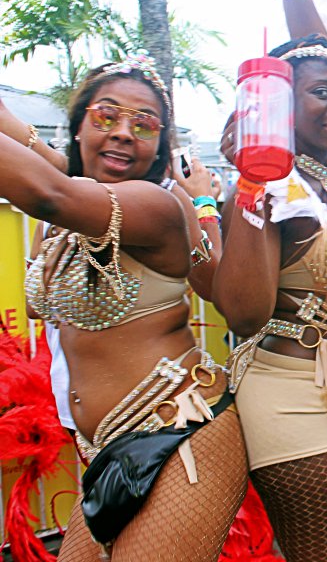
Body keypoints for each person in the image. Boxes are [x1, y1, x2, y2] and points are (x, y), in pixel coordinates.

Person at [1, 54, 247, 561]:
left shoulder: (152, 206)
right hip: (100, 452)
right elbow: (30, 146)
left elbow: (49, 193)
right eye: (106, 117)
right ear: (78, 127)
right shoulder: (80, 191)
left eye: (144, 124)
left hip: (179, 432)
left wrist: (205, 204)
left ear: (160, 146)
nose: (123, 132)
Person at [214, 35, 327, 562]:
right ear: (281, 107)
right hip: (297, 401)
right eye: (321, 92)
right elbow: (245, 314)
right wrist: (251, 180)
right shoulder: (273, 186)